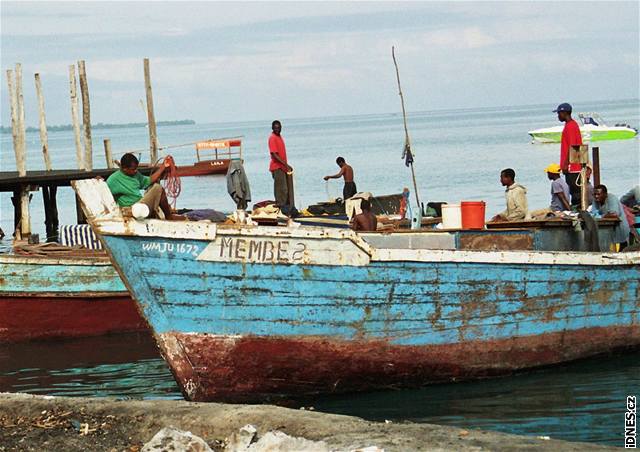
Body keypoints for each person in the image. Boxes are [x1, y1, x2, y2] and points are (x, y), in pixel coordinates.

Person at [106, 153, 184, 220]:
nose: (135, 171)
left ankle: (165, 215)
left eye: (136, 168)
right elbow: (105, 196)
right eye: (133, 169)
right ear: (124, 169)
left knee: (154, 187)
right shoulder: (113, 179)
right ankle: (169, 217)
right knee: (158, 188)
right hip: (131, 209)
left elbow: (148, 181)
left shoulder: (135, 175)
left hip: (140, 206)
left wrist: (163, 167)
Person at [554, 102, 583, 206]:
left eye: (559, 113)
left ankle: (578, 212)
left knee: (575, 193)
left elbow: (572, 146)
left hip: (573, 167)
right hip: (575, 165)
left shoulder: (570, 126)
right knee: (575, 192)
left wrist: (566, 164)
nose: (558, 116)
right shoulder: (571, 125)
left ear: (565, 113)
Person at [591, 184, 630, 249]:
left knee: (619, 251)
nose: (596, 196)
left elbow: (614, 215)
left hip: (619, 229)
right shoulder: (595, 201)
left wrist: (601, 216)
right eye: (594, 194)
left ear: (605, 194)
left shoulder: (612, 198)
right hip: (607, 230)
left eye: (598, 194)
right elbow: (593, 213)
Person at [268, 120, 293, 213]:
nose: (277, 129)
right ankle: (281, 208)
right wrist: (286, 164)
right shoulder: (272, 138)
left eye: (279, 128)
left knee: (286, 190)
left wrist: (286, 166)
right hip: (277, 167)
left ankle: (286, 208)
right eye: (276, 128)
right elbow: (274, 154)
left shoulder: (279, 137)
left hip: (283, 167)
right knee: (281, 189)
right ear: (272, 128)